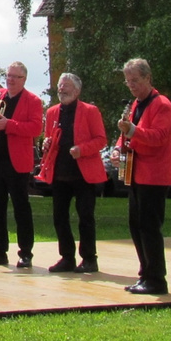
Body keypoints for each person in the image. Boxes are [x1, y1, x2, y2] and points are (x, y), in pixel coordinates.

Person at [115, 58, 171, 295]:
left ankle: (156, 279)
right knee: (136, 225)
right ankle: (145, 274)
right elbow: (126, 132)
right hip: (136, 173)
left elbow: (158, 137)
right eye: (128, 81)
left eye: (135, 80)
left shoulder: (162, 105)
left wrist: (132, 131)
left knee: (149, 227)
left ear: (148, 78)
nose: (131, 85)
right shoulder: (136, 104)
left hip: (154, 175)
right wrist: (117, 148)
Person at [37, 72, 107, 273]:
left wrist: (81, 150)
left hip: (83, 173)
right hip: (59, 172)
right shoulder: (51, 112)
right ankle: (66, 257)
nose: (61, 88)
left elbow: (101, 139)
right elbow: (49, 138)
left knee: (85, 217)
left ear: (77, 90)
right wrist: (46, 143)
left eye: (65, 85)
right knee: (59, 216)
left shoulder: (90, 111)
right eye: (59, 85)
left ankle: (89, 259)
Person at [0, 61, 43, 267]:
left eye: (15, 77)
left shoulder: (33, 100)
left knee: (21, 207)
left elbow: (36, 128)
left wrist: (9, 125)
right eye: (8, 76)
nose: (10, 80)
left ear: (24, 80)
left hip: (17, 162)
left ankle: (25, 253)